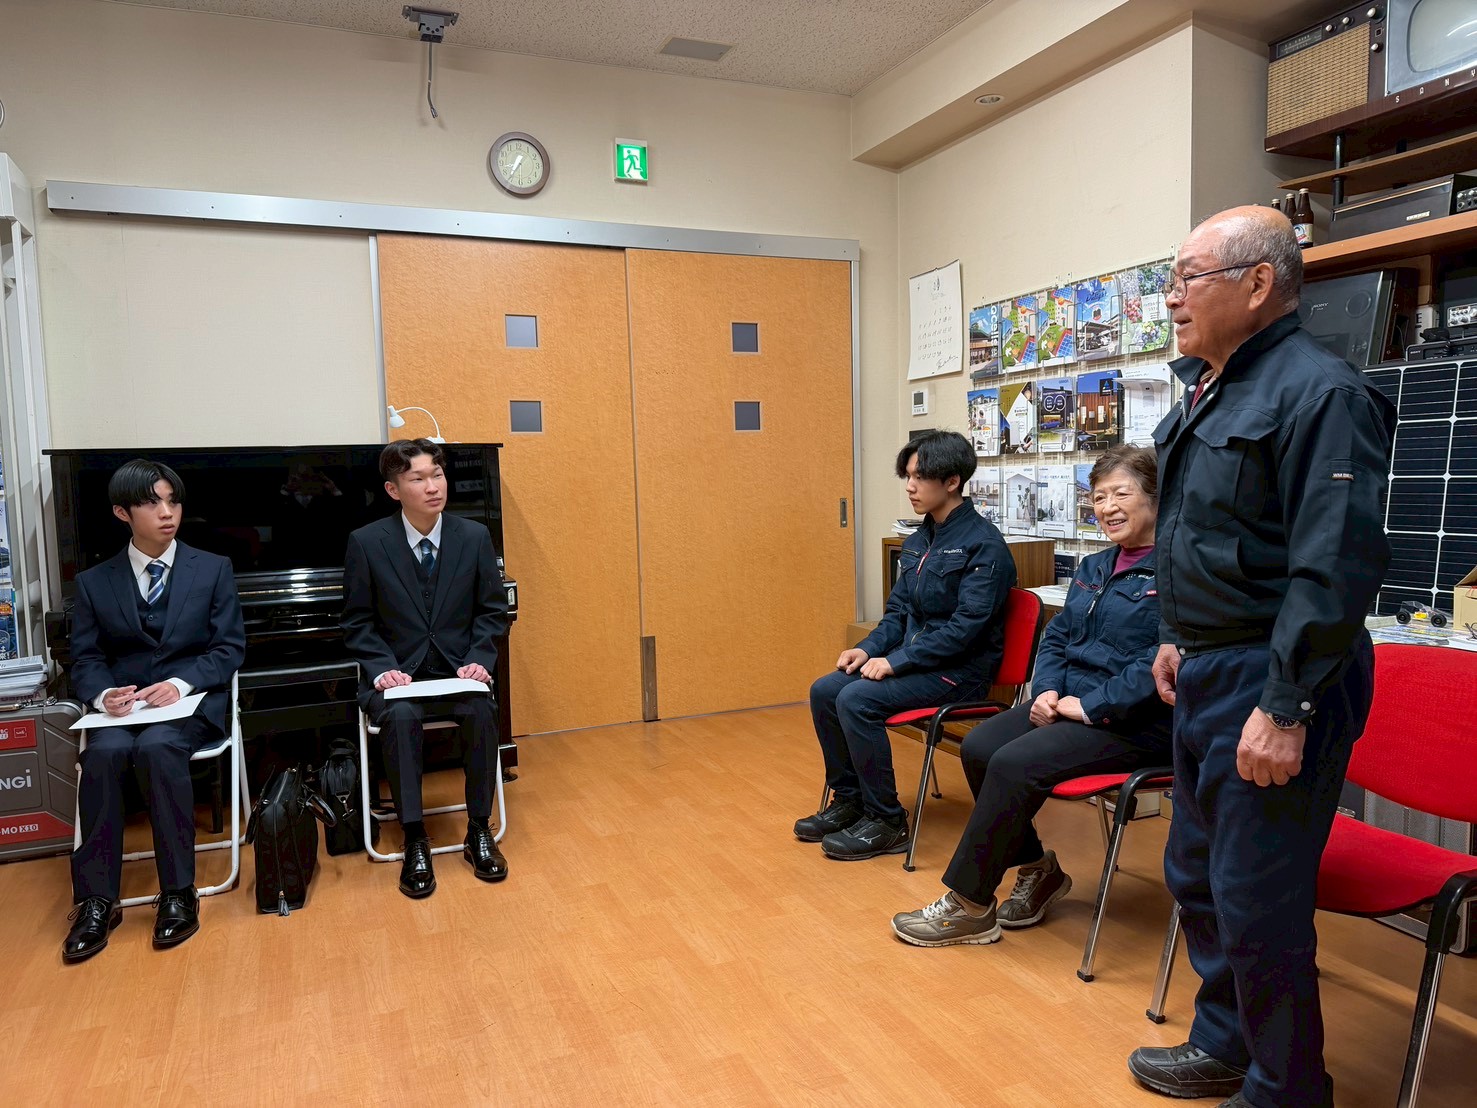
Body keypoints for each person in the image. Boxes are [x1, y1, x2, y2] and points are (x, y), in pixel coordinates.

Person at [1126, 207, 1394, 1108]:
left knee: (1255, 897)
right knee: (1197, 875)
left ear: (1256, 283)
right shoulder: (1210, 388)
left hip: (1275, 677)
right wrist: (1173, 632)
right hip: (1208, 668)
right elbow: (1196, 532)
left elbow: (1335, 565)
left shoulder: (1320, 394)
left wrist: (1285, 706)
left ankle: (1287, 1089)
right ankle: (1224, 1044)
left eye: (1187, 277)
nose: (1170, 298)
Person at [892, 445, 1170, 946]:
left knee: (1013, 762)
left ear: (1155, 498)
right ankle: (1039, 868)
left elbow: (1160, 663)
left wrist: (1090, 706)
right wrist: (1046, 691)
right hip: (1067, 704)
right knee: (980, 747)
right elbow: (1058, 636)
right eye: (1098, 497)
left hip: (1135, 722)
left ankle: (969, 904)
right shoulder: (1094, 566)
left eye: (1121, 494)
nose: (1107, 507)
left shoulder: (1181, 573)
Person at [796, 430, 1015, 861]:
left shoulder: (985, 546)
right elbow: (897, 613)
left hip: (960, 673)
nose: (910, 487)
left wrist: (896, 661)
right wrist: (867, 649)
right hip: (920, 664)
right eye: (908, 477)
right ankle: (852, 799)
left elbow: (964, 630)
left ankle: (887, 820)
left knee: (857, 699)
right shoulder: (917, 542)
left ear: (951, 481)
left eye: (919, 477)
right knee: (825, 690)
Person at [64, 460, 246, 963]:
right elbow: (86, 658)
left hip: (188, 707)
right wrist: (104, 696)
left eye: (173, 501)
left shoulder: (212, 568)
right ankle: (96, 900)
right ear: (122, 513)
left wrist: (180, 683)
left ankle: (178, 891)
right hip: (124, 713)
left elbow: (229, 648)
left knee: (159, 748)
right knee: (102, 756)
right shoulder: (94, 581)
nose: (167, 513)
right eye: (151, 503)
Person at [342, 439, 510, 899]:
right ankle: (415, 836)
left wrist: (479, 659)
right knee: (400, 718)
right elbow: (357, 621)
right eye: (417, 479)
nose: (433, 486)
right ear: (393, 489)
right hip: (398, 676)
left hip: (457, 670)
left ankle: (479, 828)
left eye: (437, 475)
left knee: (482, 710)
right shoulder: (367, 542)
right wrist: (382, 668)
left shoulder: (473, 536)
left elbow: (492, 611)